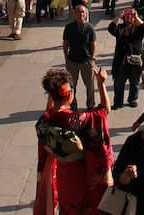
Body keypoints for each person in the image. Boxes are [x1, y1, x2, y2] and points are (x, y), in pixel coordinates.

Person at [35, 67, 112, 215]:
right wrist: (101, 83)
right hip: (81, 174)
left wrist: (52, 95)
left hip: (63, 174)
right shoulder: (77, 119)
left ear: (51, 95)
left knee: (68, 208)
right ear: (70, 94)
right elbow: (104, 110)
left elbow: (49, 109)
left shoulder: (46, 120)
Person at [109, 8, 144, 109]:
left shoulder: (138, 28)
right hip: (121, 61)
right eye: (127, 16)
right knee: (118, 83)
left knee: (135, 82)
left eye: (131, 16)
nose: (129, 17)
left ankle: (133, 99)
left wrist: (136, 17)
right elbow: (111, 28)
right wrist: (118, 17)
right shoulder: (120, 28)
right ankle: (118, 102)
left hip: (135, 60)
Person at [62, 5, 97, 109]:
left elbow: (93, 43)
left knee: (90, 86)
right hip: (72, 61)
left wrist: (93, 58)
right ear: (74, 13)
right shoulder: (69, 27)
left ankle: (91, 105)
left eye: (83, 12)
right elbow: (65, 43)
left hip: (86, 60)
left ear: (86, 14)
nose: (81, 14)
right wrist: (66, 57)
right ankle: (73, 104)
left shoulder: (90, 28)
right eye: (79, 12)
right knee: (71, 85)